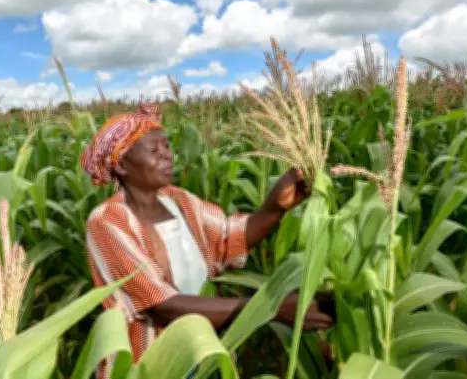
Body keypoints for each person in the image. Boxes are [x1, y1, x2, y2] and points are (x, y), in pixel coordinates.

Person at [81, 103, 334, 377]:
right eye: (154, 150)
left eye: (167, 147)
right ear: (122, 165)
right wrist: (270, 307)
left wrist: (275, 206)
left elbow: (228, 239)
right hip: (150, 364)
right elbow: (162, 306)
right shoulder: (107, 221)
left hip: (204, 350)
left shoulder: (179, 200)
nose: (167, 155)